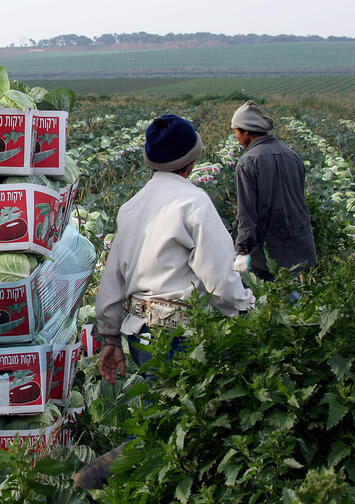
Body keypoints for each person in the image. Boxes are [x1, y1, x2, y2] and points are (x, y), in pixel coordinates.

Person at [74, 114, 253, 491]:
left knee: (167, 418)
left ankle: (142, 486)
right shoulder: (194, 203)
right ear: (191, 160)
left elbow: (112, 282)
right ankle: (100, 479)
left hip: (140, 336)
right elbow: (220, 277)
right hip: (181, 337)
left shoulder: (132, 207)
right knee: (180, 427)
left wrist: (109, 340)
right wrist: (243, 309)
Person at [230, 100, 317, 280]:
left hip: (267, 251)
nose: (236, 137)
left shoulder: (248, 162)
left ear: (246, 131)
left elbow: (247, 212)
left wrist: (243, 249)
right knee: (290, 297)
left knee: (266, 302)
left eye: (236, 131)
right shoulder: (292, 155)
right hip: (297, 243)